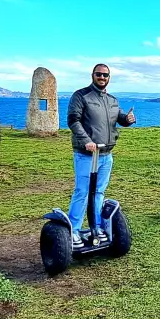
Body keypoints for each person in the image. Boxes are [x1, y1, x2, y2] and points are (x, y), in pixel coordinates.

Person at [66, 63, 136, 247]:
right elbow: (73, 121)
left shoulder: (112, 100)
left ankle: (96, 227)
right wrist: (86, 141)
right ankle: (74, 230)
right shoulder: (80, 96)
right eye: (99, 74)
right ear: (93, 75)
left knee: (98, 192)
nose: (102, 77)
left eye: (105, 75)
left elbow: (118, 118)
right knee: (82, 191)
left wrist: (127, 120)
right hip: (86, 154)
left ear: (109, 78)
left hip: (106, 154)